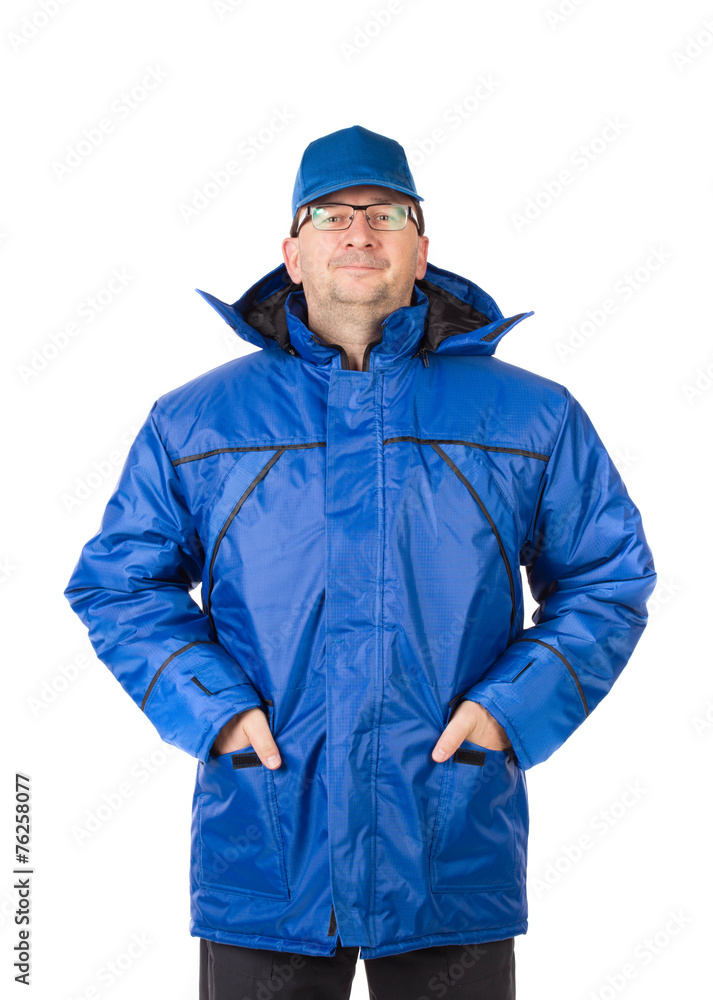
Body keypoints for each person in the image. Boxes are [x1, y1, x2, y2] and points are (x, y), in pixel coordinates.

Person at [64, 125, 657, 999]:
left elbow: (608, 579)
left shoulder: (531, 417)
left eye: (384, 213)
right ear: (291, 252)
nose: (358, 231)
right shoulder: (196, 423)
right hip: (267, 843)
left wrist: (505, 713)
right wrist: (217, 712)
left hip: (447, 841)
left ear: (421, 249)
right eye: (330, 214)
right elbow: (117, 583)